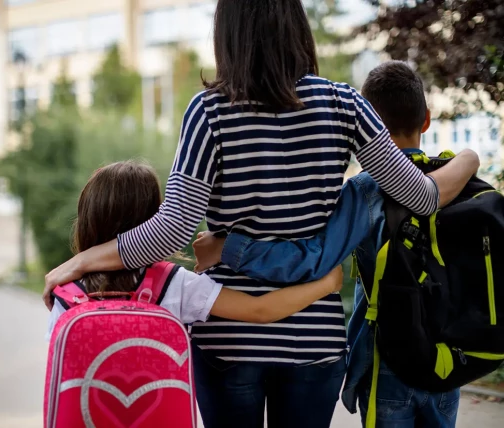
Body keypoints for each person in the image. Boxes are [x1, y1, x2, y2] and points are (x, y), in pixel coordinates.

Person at [43, 1, 478, 426]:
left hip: (229, 344)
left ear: (228, 32)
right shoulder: (345, 105)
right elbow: (422, 197)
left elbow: (172, 231)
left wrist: (82, 260)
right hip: (314, 340)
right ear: (297, 25)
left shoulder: (208, 112)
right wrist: (470, 158)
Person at [192, 61, 471, 428]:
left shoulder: (368, 191)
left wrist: (227, 247)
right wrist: (469, 158)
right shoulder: (459, 181)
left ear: (371, 127)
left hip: (389, 359)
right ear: (427, 120)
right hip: (450, 361)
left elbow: (315, 258)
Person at [45, 160, 343, 339]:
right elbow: (260, 310)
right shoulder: (174, 284)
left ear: (88, 220)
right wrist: (327, 283)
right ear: (153, 220)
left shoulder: (67, 294)